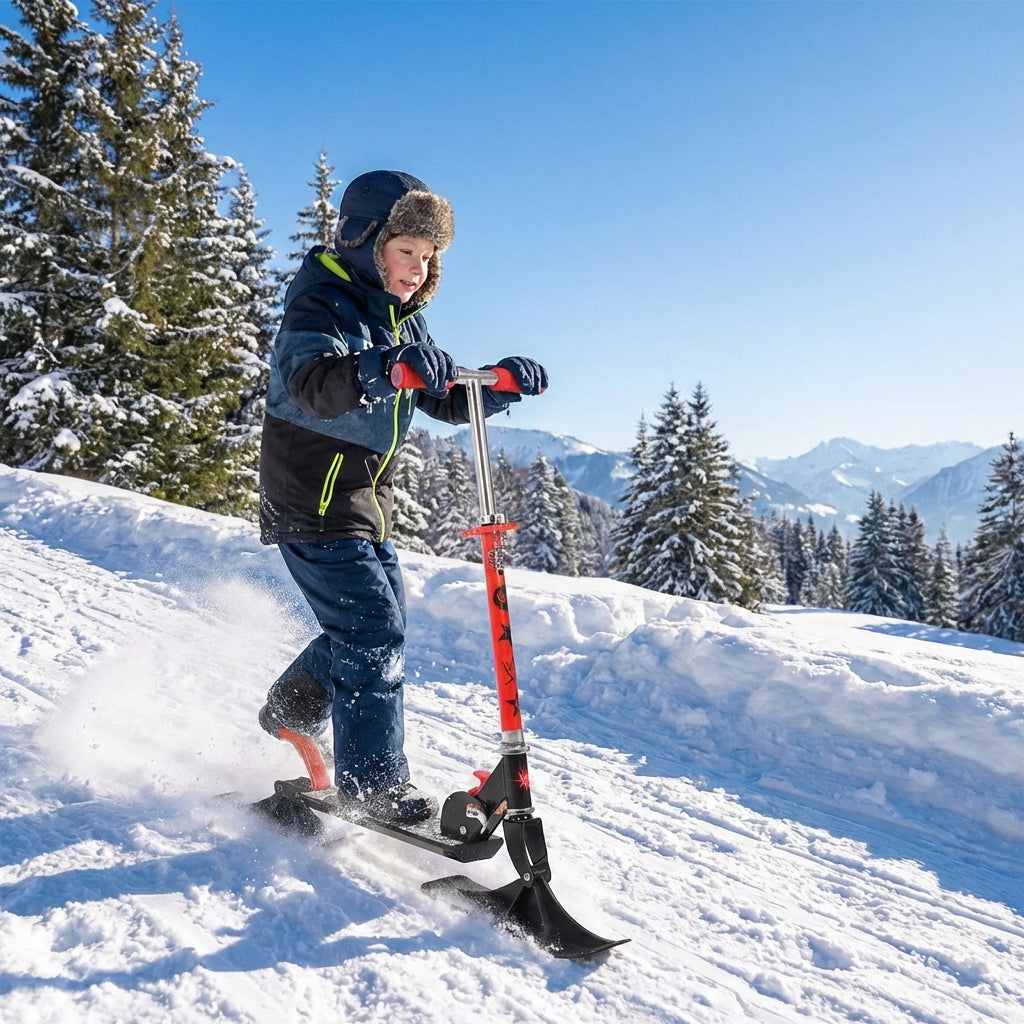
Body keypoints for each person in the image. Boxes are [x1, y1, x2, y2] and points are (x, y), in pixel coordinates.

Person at [257, 170, 547, 824]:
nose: (418, 269)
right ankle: (372, 786)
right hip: (309, 496)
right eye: (406, 250)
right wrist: (380, 369)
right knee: (372, 629)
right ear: (365, 242)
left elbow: (441, 397)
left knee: (375, 625)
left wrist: (496, 386)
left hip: (362, 503)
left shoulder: (403, 319)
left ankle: (293, 709)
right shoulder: (321, 302)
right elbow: (313, 383)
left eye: (429, 255)